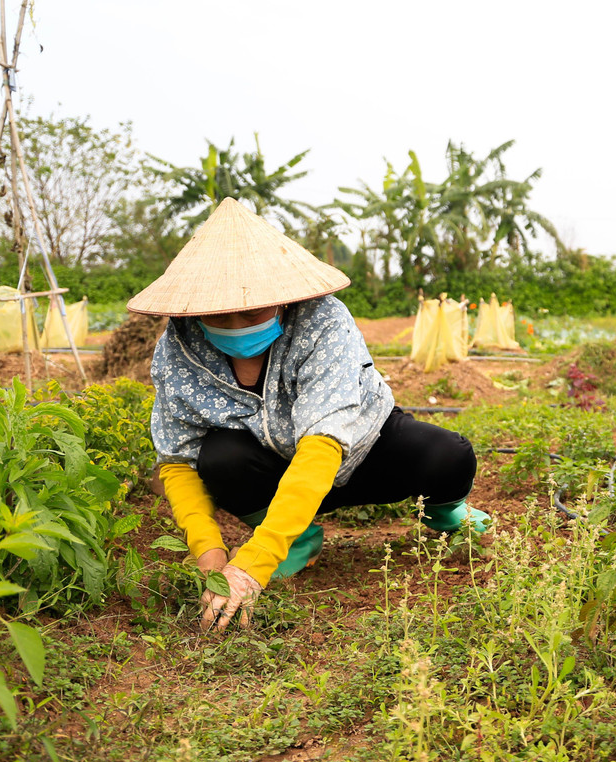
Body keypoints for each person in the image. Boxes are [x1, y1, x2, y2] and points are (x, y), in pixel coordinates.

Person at [129, 197, 486, 632]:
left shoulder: (323, 321)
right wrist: (211, 557)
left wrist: (254, 563)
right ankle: (297, 539)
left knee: (447, 455)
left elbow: (322, 447)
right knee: (217, 458)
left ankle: (444, 513)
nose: (238, 325)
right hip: (272, 467)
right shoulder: (178, 347)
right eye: (220, 315)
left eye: (253, 310)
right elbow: (178, 460)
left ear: (282, 299)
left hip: (358, 453)